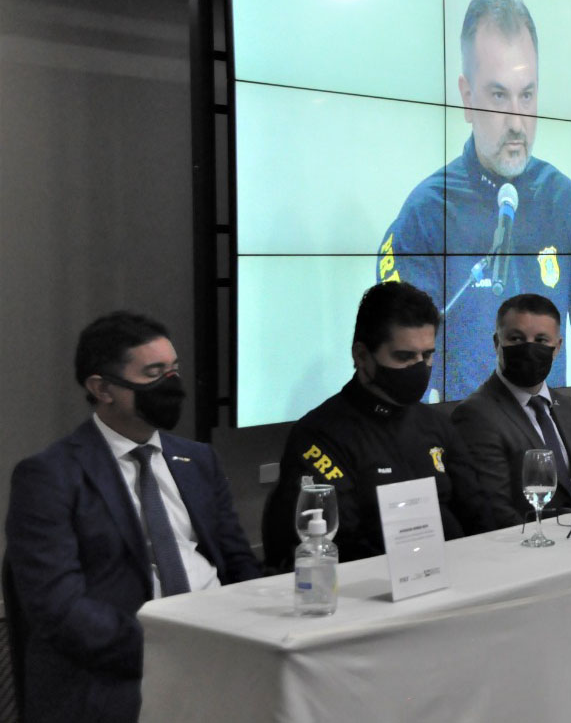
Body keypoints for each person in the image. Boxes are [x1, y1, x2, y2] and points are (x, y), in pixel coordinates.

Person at [5, 312, 260, 723]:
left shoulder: (198, 459)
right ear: (102, 388)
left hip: (224, 647)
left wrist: (258, 624)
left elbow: (238, 562)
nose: (171, 385)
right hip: (119, 669)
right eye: (154, 373)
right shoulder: (50, 476)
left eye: (174, 370)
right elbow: (59, 608)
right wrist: (170, 645)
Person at [379, 0, 571, 402]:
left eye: (526, 95)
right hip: (459, 442)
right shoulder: (424, 214)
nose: (516, 122)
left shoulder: (565, 202)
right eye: (498, 96)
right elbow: (402, 368)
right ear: (467, 97)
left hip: (547, 433)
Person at [262, 282, 491, 572]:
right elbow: (339, 544)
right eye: (404, 357)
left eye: (427, 355)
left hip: (460, 580)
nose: (420, 368)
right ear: (361, 356)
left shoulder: (437, 424)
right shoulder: (320, 435)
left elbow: (480, 516)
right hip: (372, 593)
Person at [452, 293, 571, 529]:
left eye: (541, 340)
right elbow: (496, 512)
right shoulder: (475, 415)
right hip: (538, 546)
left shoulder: (568, 408)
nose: (529, 348)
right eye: (516, 339)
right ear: (497, 343)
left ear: (557, 348)